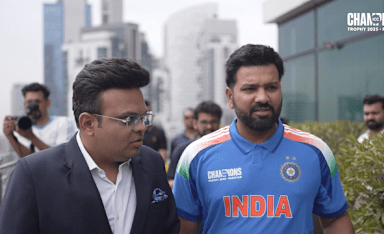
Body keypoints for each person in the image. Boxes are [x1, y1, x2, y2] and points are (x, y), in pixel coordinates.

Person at [173, 44, 354, 233]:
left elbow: (335, 219)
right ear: (230, 96)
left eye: (271, 87)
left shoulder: (316, 151)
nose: (262, 97)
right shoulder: (195, 156)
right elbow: (185, 228)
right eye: (250, 89)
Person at [0, 58, 180, 234]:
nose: (142, 127)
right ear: (88, 123)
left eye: (144, 117)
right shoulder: (35, 175)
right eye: (130, 119)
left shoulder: (151, 162)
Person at [2, 83, 77, 157]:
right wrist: (9, 136)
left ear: (47, 103)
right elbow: (27, 157)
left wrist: (32, 137)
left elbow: (62, 156)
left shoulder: (64, 122)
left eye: (37, 102)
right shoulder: (23, 126)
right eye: (29, 102)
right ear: (25, 104)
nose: (33, 106)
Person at [167, 101, 222, 189]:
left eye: (213, 122)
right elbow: (170, 181)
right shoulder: (183, 151)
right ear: (195, 124)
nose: (209, 126)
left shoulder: (226, 150)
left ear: (219, 122)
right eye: (204, 122)